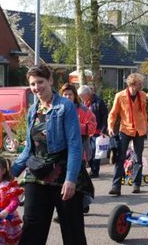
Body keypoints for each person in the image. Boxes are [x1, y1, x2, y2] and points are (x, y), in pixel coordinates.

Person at [11, 65, 91, 244]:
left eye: (40, 82)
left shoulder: (65, 107)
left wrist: (71, 179)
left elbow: (74, 145)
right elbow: (29, 148)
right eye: (32, 84)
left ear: (50, 81)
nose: (36, 87)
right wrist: (12, 173)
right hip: (36, 173)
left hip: (63, 175)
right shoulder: (33, 110)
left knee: (72, 230)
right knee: (31, 227)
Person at [107, 73, 148, 196]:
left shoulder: (143, 95)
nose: (142, 86)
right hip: (125, 129)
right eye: (139, 84)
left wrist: (146, 127)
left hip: (139, 129)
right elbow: (113, 113)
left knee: (138, 158)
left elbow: (144, 112)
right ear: (132, 84)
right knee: (120, 157)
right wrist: (110, 126)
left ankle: (136, 184)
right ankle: (116, 186)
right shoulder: (120, 96)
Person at [59, 83, 96, 215]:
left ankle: (82, 203)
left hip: (80, 151)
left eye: (70, 94)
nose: (67, 97)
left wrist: (75, 127)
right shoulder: (58, 109)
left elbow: (92, 127)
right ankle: (79, 204)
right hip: (62, 152)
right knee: (67, 180)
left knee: (77, 179)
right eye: (65, 94)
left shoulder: (84, 110)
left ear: (75, 95)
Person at [78, 85, 108, 178]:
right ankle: (91, 167)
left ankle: (95, 171)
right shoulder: (83, 102)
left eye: (82, 96)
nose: (81, 98)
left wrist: (103, 130)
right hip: (86, 131)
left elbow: (104, 116)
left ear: (88, 94)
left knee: (95, 152)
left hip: (97, 131)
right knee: (88, 153)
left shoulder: (99, 102)